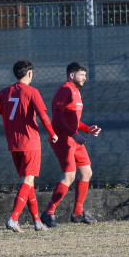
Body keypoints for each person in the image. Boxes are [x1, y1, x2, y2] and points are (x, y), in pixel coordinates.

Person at [0, 59, 58, 232]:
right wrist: (52, 133)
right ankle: (13, 218)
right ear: (30, 73)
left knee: (28, 182)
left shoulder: (4, 93)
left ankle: (36, 221)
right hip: (30, 143)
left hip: (14, 145)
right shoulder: (32, 92)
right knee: (28, 180)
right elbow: (43, 116)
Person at [41, 62, 101, 228]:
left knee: (86, 172)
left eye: (85, 75)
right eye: (82, 74)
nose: (85, 78)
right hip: (62, 138)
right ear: (72, 75)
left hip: (74, 138)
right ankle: (48, 213)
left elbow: (73, 120)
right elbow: (58, 120)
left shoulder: (75, 91)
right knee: (69, 175)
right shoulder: (65, 90)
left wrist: (88, 129)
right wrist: (74, 134)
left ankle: (77, 213)